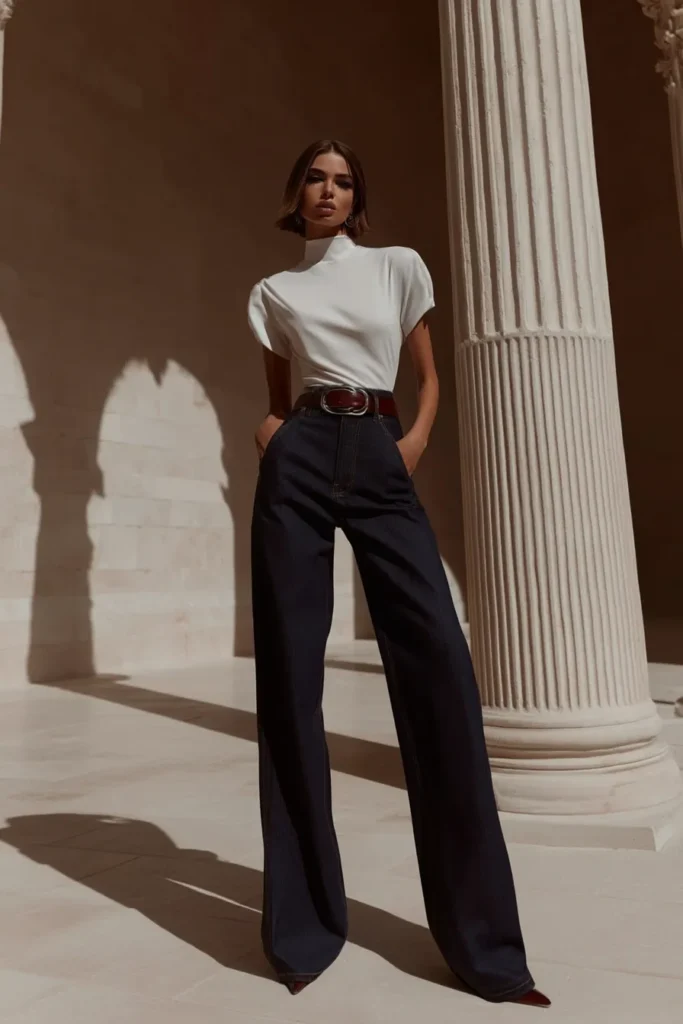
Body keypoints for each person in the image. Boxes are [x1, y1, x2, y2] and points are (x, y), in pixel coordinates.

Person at [247, 139, 550, 1008]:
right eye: (314, 177)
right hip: (300, 459)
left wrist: (408, 444)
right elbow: (276, 396)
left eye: (342, 181)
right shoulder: (273, 292)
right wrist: (274, 441)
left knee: (442, 668)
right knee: (289, 680)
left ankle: (486, 949)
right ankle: (302, 935)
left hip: (380, 451)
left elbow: (427, 376)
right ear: (295, 191)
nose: (328, 191)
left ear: (357, 198)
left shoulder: (396, 266)